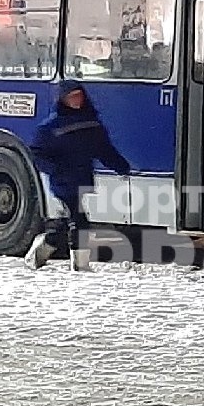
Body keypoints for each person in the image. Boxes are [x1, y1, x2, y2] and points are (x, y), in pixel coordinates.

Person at [25, 80, 132, 268]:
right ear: (62, 99)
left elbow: (104, 149)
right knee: (78, 220)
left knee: (68, 221)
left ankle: (40, 252)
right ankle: (79, 264)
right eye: (71, 96)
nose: (76, 100)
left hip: (82, 177)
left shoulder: (91, 123)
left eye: (79, 95)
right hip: (63, 180)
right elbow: (37, 154)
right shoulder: (51, 127)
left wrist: (120, 166)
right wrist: (54, 169)